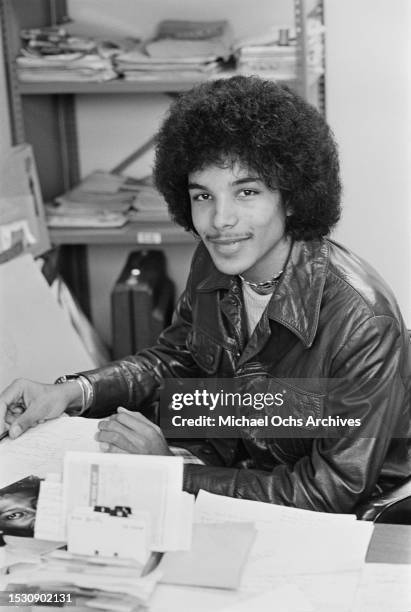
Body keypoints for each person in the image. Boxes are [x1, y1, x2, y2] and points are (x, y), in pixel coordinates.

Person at [0, 76, 410, 513]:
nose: (220, 220)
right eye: (202, 196)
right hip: (241, 477)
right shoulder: (215, 260)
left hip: (361, 519)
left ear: (291, 198)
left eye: (247, 192)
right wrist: (71, 392)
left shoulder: (362, 321)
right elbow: (174, 359)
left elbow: (330, 492)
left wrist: (168, 474)